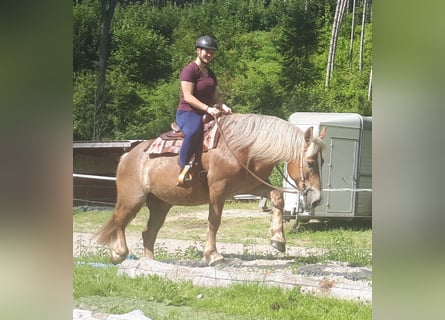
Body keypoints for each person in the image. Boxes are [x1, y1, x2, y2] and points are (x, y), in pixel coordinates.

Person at [175, 35, 232, 187]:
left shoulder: (210, 73)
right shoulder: (189, 70)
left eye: (212, 52)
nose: (209, 55)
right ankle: (183, 167)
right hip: (188, 112)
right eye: (207, 51)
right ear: (198, 51)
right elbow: (188, 96)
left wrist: (222, 106)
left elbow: (214, 97)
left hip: (208, 112)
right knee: (194, 131)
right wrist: (208, 108)